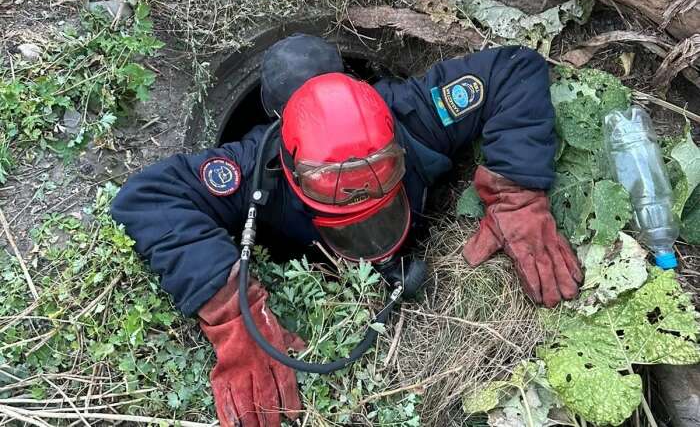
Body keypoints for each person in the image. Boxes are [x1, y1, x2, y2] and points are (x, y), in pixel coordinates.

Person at [111, 34, 583, 427]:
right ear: (292, 167)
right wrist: (232, 313)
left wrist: (518, 195)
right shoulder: (255, 170)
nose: (369, 239)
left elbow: (514, 70)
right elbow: (149, 198)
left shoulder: (415, 114)